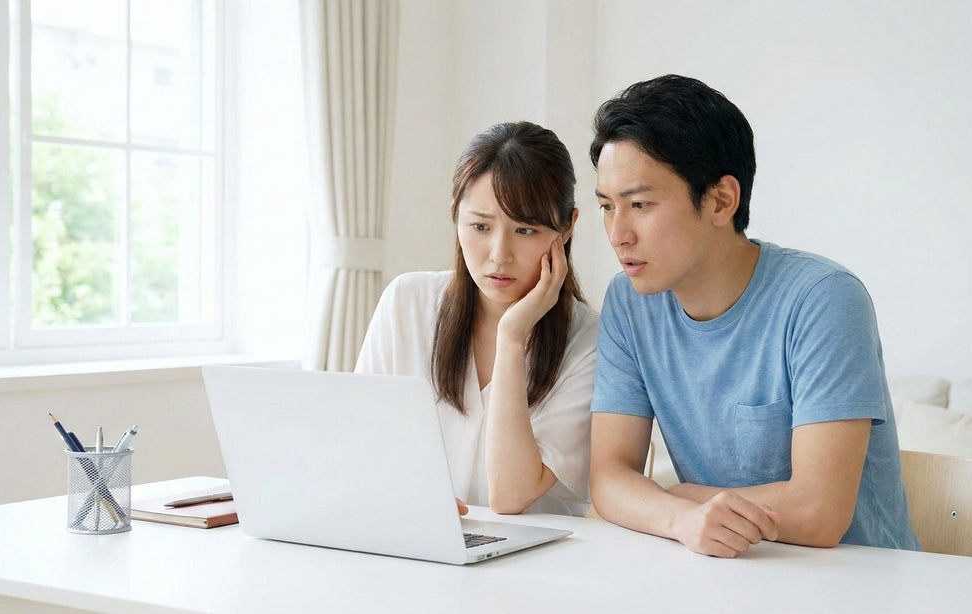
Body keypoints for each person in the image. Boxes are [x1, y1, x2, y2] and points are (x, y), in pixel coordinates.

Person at [587, 75, 919, 557]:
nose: (618, 234)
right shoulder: (629, 301)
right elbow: (609, 477)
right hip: (730, 575)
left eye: (639, 204)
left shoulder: (823, 299)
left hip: (856, 582)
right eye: (605, 207)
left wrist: (677, 498)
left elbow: (819, 513)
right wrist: (681, 517)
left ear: (721, 200)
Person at [356, 121, 597, 516]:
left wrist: (513, 336)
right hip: (416, 550)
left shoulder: (590, 342)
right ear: (456, 216)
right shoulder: (408, 302)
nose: (499, 254)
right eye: (480, 226)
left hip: (537, 568)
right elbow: (360, 448)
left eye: (524, 229)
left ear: (567, 227)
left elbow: (510, 496)